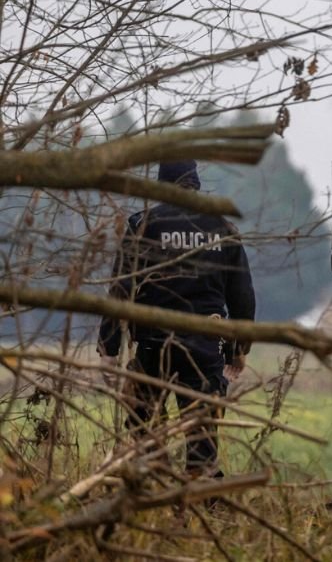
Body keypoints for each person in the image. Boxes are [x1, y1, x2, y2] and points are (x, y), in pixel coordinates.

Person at [98, 160, 255, 475]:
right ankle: (202, 497)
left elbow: (121, 288)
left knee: (144, 421)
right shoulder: (222, 228)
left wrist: (109, 347)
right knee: (201, 431)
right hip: (205, 342)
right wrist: (238, 348)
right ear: (195, 184)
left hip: (154, 342)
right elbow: (241, 293)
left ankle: (157, 482)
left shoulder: (144, 225)